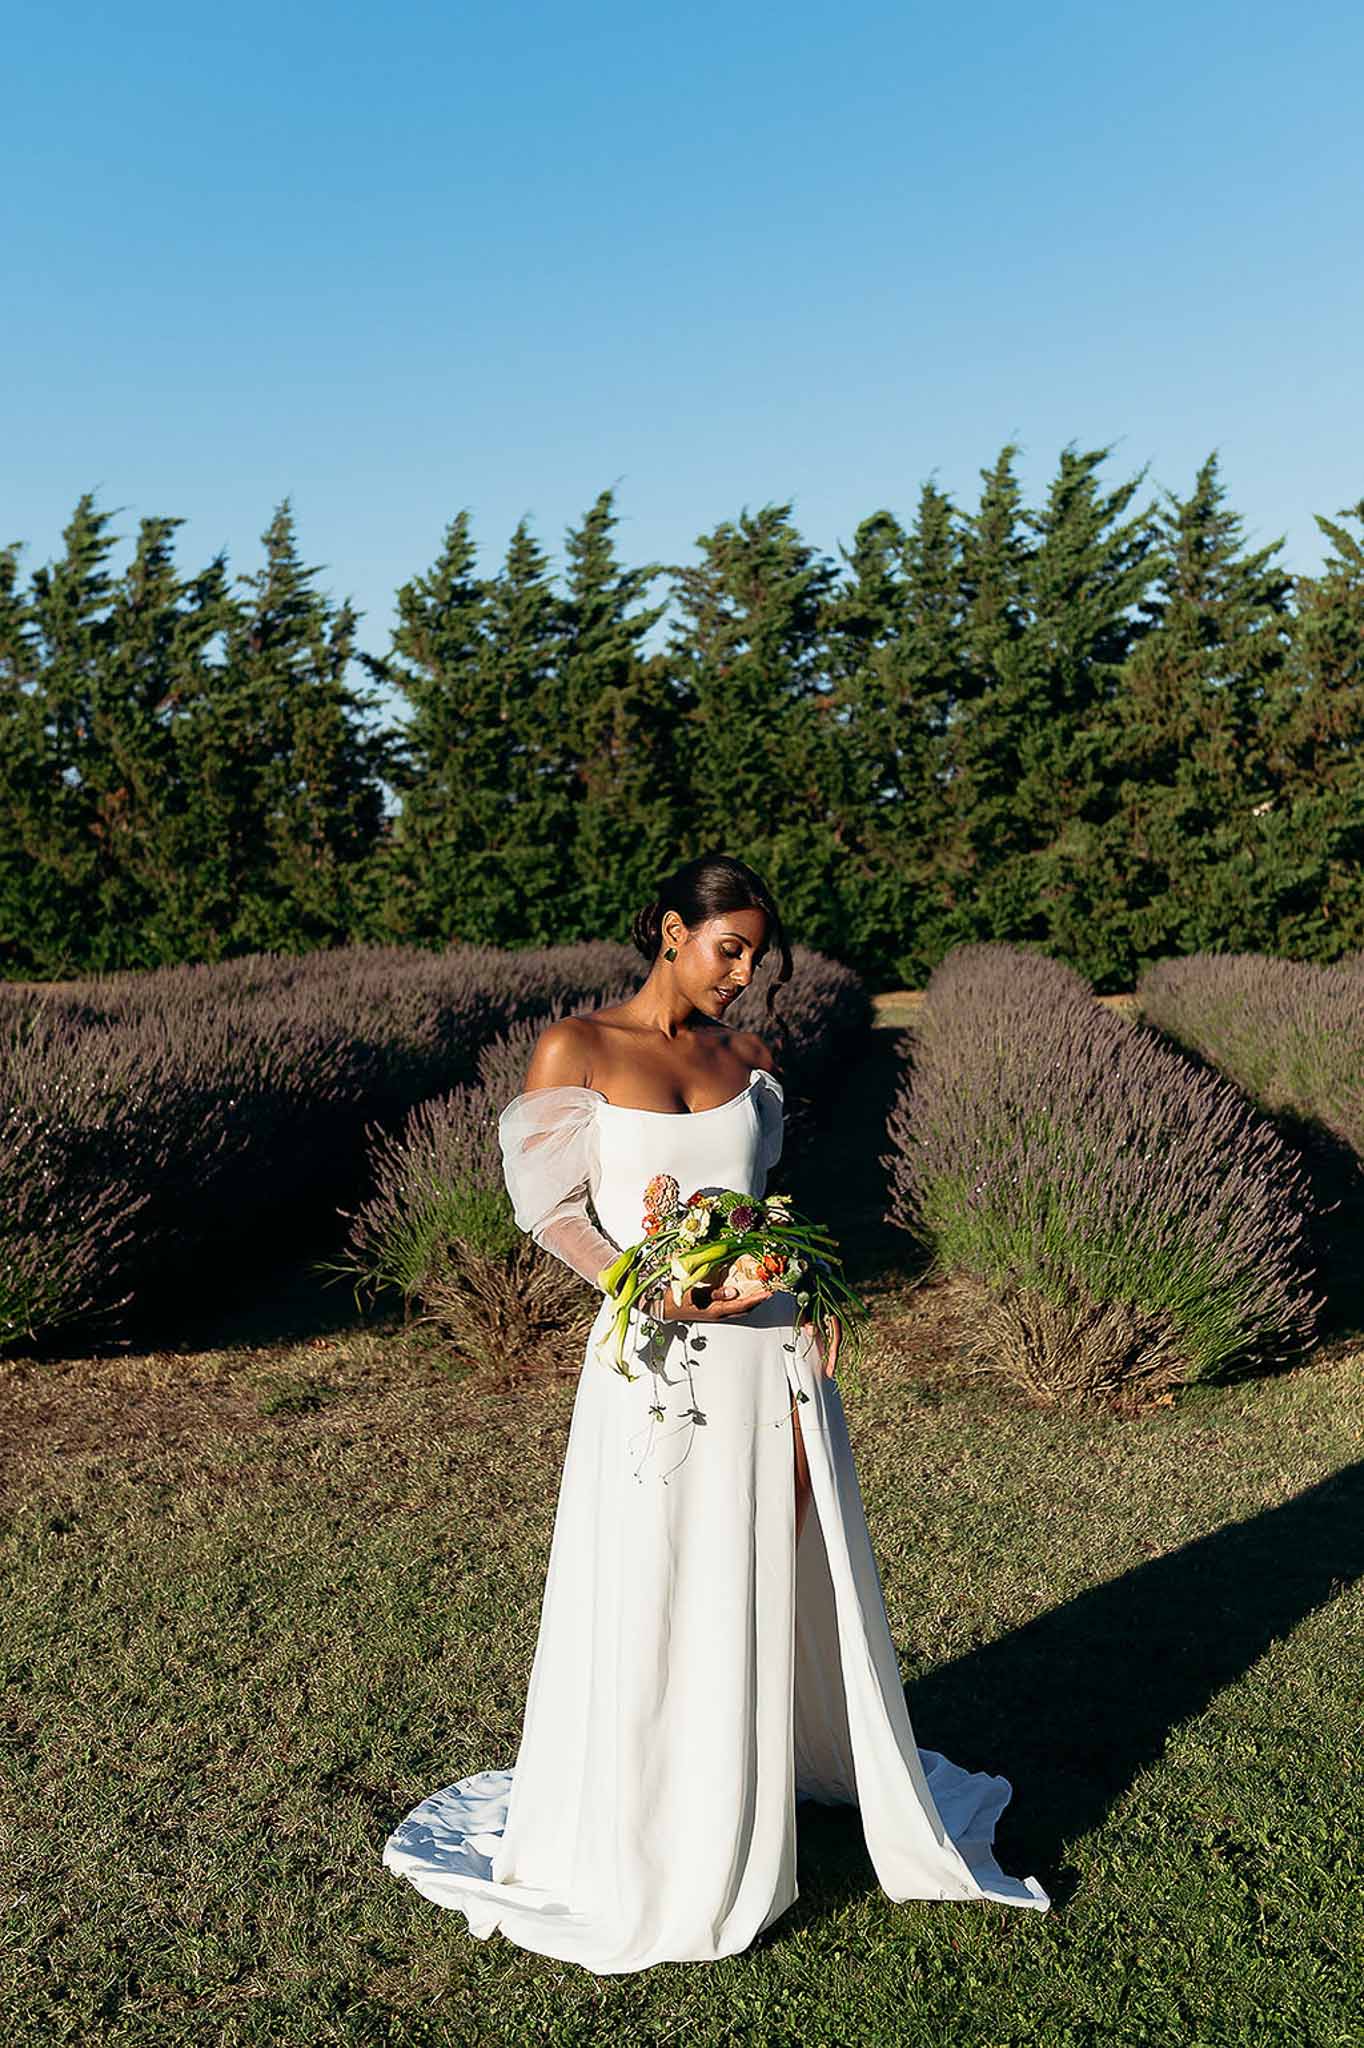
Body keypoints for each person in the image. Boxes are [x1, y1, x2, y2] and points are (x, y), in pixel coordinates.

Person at [382, 854, 1050, 1972]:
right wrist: (650, 1285)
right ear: (666, 930)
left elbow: (753, 1203)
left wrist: (790, 1279)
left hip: (770, 1353)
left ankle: (762, 1768)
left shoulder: (752, 1060)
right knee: (657, 1573)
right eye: (725, 946)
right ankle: (663, 1820)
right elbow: (550, 1213)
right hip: (655, 1359)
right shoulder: (576, 1049)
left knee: (771, 1566)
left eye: (755, 953)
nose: (742, 974)